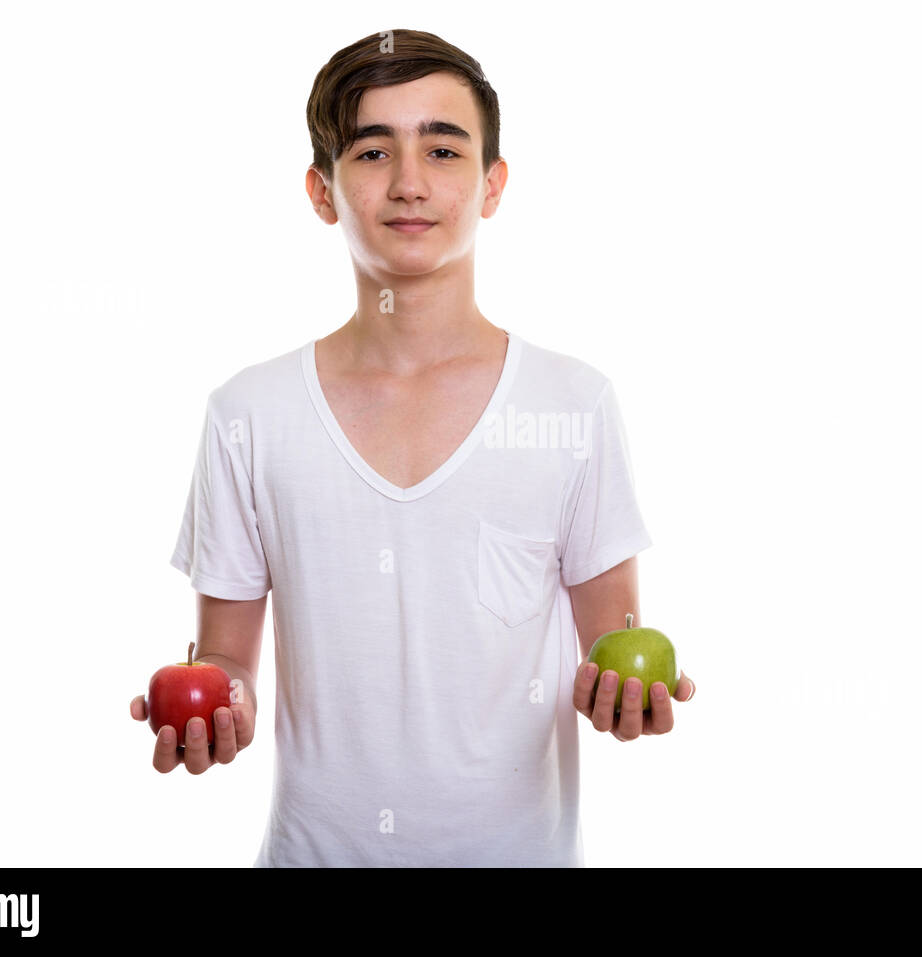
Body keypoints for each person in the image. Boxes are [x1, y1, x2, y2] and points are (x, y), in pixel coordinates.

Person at [130, 28, 695, 866]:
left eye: (442, 148)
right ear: (322, 191)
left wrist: (622, 697)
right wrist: (223, 710)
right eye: (370, 152)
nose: (409, 184)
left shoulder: (573, 404)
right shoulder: (247, 413)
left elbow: (615, 643)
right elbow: (223, 656)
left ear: (492, 184)